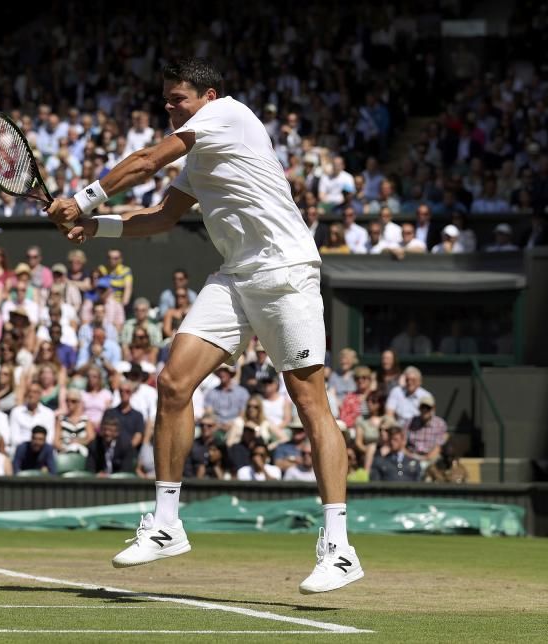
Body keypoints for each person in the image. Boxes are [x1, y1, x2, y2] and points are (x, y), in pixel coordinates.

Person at [46, 58, 361, 592]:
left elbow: (146, 161)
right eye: (166, 99)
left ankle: (339, 547)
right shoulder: (202, 153)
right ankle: (167, 524)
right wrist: (92, 229)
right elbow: (162, 218)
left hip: (285, 271)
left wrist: (80, 200)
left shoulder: (229, 117)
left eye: (179, 100)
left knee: (310, 405)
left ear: (209, 97)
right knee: (172, 383)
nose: (170, 108)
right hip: (236, 277)